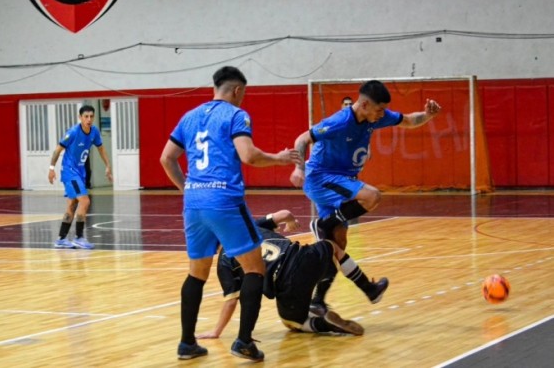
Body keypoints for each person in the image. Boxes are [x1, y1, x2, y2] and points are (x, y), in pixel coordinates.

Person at [159, 66, 301, 362]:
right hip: (223, 198)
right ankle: (244, 342)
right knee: (254, 269)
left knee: (196, 274)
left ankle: (186, 344)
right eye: (244, 94)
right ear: (237, 90)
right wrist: (279, 158)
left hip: (194, 203)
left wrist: (188, 189)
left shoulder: (190, 116)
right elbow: (248, 155)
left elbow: (166, 158)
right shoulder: (236, 115)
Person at [290, 80, 442, 315]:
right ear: (363, 104)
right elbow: (302, 139)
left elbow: (410, 120)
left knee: (336, 245)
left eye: (383, 111)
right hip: (321, 178)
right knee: (372, 196)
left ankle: (319, 300)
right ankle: (324, 224)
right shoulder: (339, 122)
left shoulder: (376, 117)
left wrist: (428, 115)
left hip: (337, 182)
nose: (381, 115)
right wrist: (299, 168)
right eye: (378, 110)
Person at [198, 209, 384, 339]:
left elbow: (231, 301)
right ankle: (368, 289)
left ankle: (324, 324)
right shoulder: (250, 227)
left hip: (286, 281)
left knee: (292, 322)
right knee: (333, 248)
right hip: (303, 256)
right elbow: (285, 214)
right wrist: (290, 222)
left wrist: (216, 331)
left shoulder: (224, 262)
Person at [48, 105, 112, 250]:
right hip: (70, 172)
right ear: (80, 118)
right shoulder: (73, 132)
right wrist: (51, 169)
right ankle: (79, 237)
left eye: (91, 117)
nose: (89, 119)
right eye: (86, 117)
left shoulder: (94, 131)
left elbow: (101, 149)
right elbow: (57, 150)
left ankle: (61, 239)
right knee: (85, 201)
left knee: (72, 205)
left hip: (80, 172)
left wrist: (108, 166)